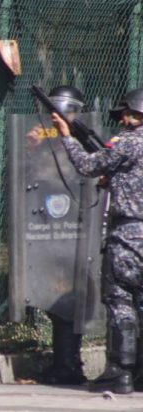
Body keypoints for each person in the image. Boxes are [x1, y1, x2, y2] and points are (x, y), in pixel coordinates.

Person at [51, 87, 143, 394]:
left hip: (128, 236)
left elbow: (87, 166)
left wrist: (65, 134)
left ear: (134, 115)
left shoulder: (128, 143)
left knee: (121, 302)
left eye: (126, 116)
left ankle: (120, 371)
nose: (123, 122)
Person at [32, 86, 89, 386]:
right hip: (47, 228)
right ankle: (66, 363)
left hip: (75, 229)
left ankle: (68, 365)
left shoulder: (79, 140)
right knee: (58, 298)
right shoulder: (44, 137)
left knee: (68, 297)